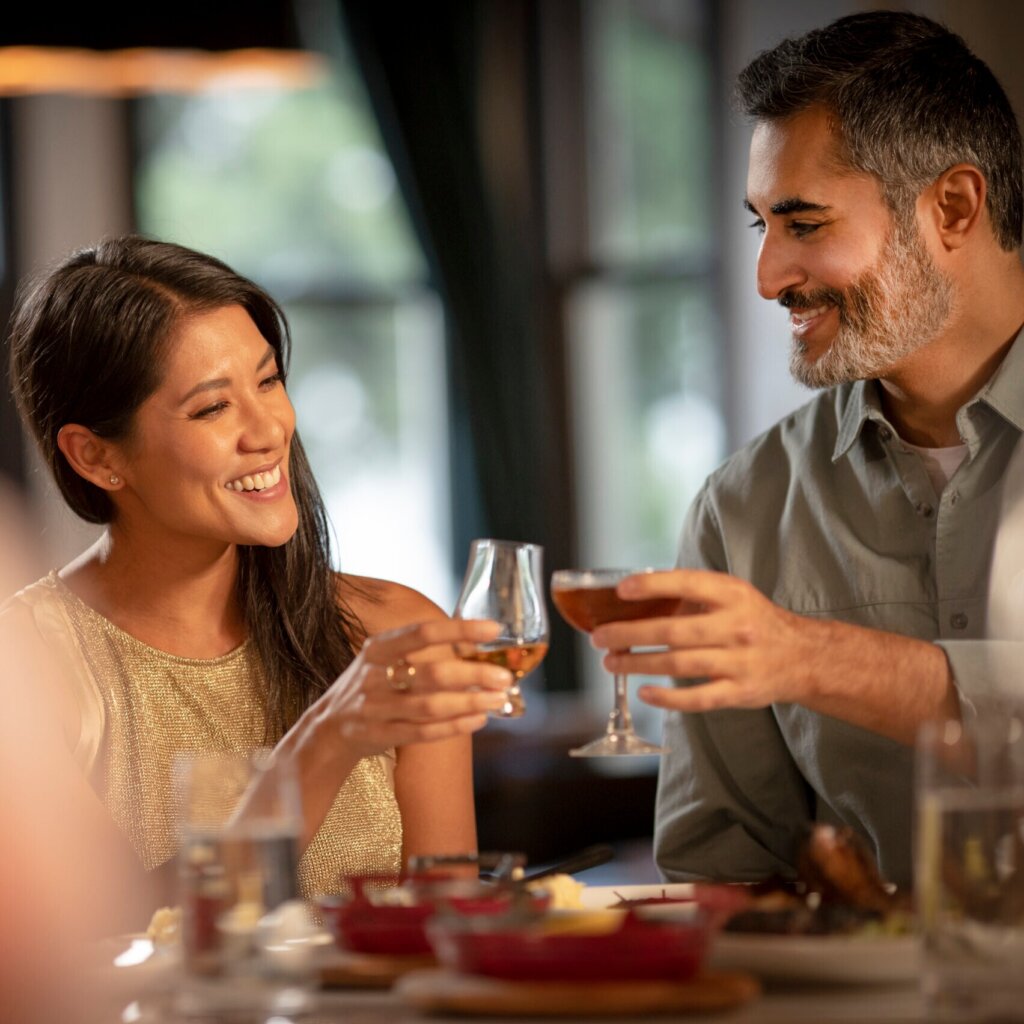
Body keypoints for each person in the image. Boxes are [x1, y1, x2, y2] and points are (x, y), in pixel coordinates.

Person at [588, 10, 1024, 890]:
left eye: (805, 223)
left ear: (953, 207)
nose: (767, 277)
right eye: (761, 226)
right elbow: (728, 866)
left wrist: (809, 657)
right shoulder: (743, 505)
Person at [1, 235, 514, 929]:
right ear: (96, 456)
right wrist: (327, 740)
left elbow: (447, 934)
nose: (269, 429)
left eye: (268, 381)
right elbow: (102, 940)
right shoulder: (26, 667)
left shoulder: (391, 632)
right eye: (212, 408)